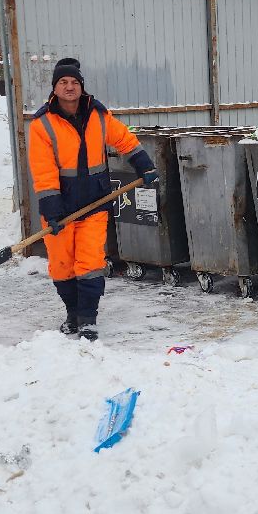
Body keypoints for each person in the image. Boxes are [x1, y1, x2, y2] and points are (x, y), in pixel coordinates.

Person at [28, 57, 157, 342]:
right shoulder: (42, 124)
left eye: (74, 82)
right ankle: (72, 313)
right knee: (62, 265)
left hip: (95, 201)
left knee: (89, 262)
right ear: (55, 88)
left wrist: (144, 165)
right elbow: (43, 169)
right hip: (60, 208)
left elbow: (123, 139)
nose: (69, 87)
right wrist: (52, 209)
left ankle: (88, 318)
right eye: (64, 82)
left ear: (81, 86)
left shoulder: (98, 114)